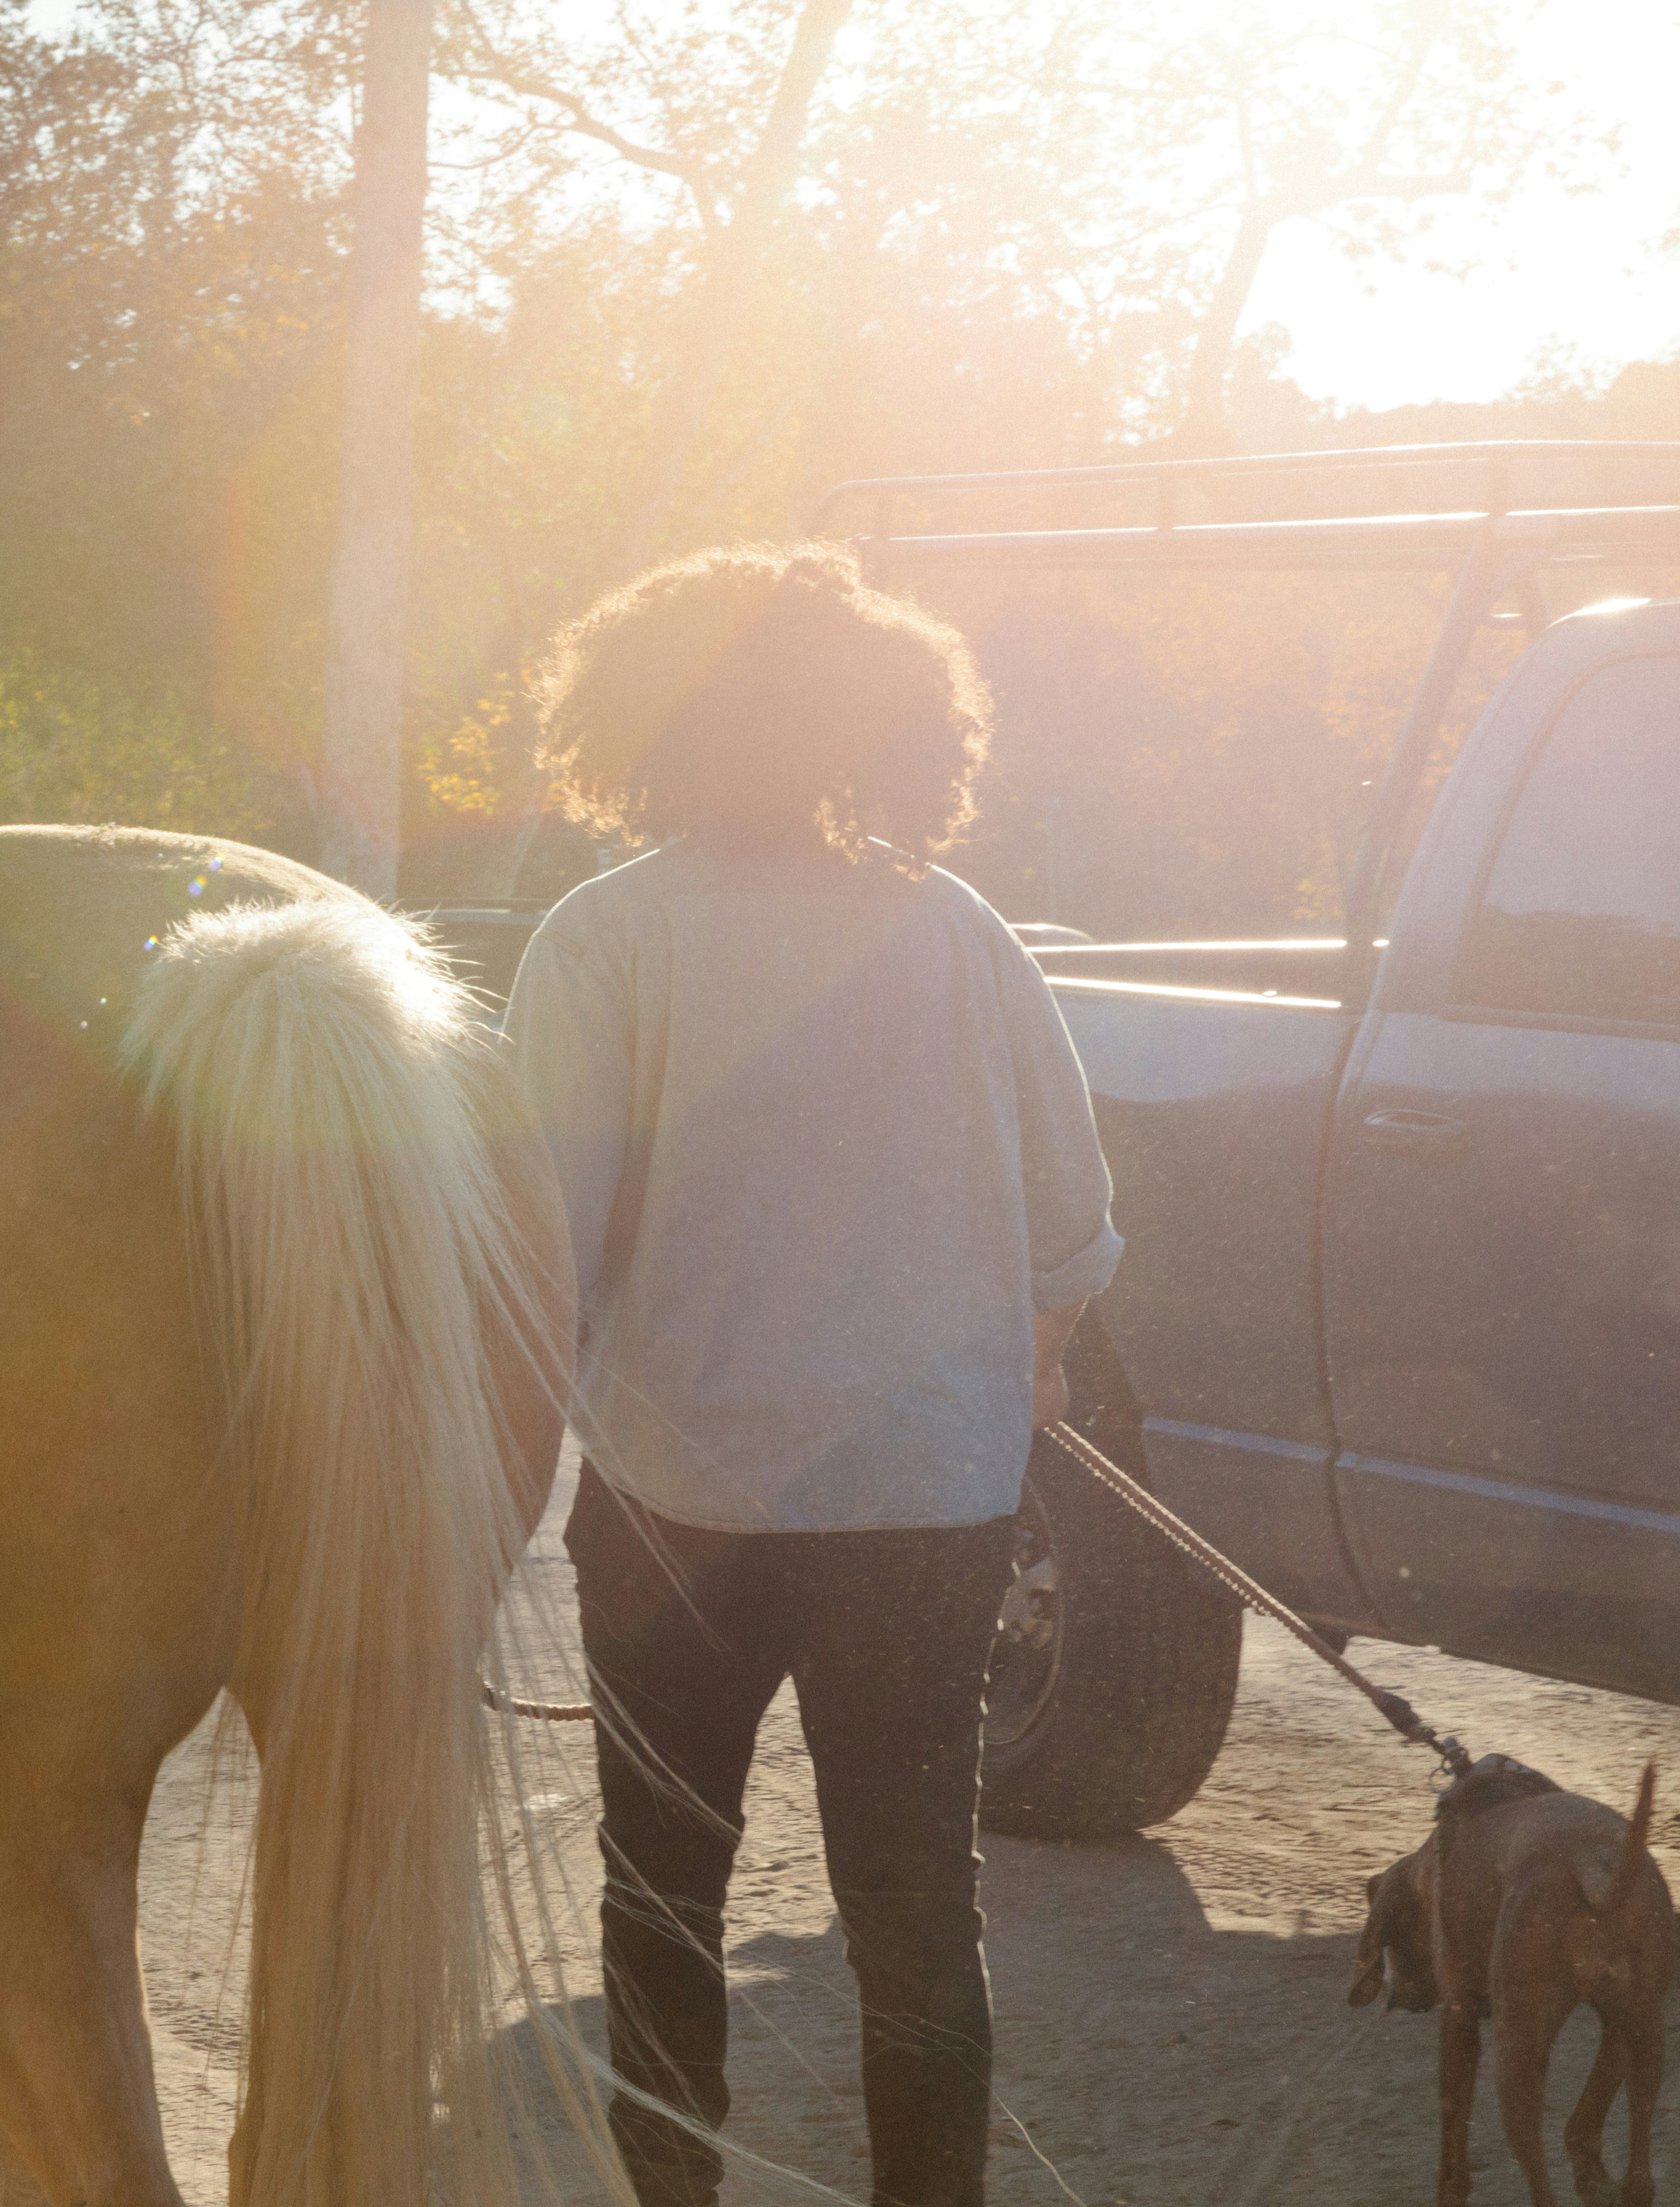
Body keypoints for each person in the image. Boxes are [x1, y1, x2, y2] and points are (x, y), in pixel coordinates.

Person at [505, 547, 1119, 2207]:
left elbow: (535, 1252)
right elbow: (1073, 1228)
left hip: (674, 1508)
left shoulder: (605, 940)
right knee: (920, 1912)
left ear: (656, 721)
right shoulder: (960, 929)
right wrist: (1025, 1373)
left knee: (662, 1898)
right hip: (928, 1511)